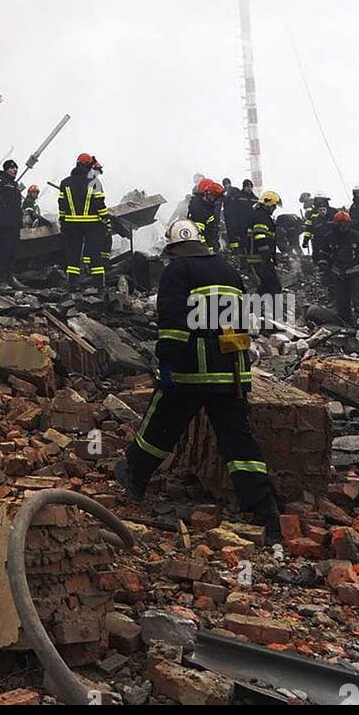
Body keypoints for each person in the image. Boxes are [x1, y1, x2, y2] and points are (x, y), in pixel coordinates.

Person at [116, 219, 280, 538]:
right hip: (231, 373)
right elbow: (240, 321)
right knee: (238, 441)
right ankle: (264, 508)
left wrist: (167, 364)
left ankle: (134, 479)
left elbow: (174, 324)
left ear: (175, 247)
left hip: (193, 371)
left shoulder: (178, 271)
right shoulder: (229, 271)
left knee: (161, 425)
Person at [58, 153, 111, 293]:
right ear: (89, 166)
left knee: (73, 255)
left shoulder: (65, 182)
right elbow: (100, 204)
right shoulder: (94, 182)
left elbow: (61, 205)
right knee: (95, 254)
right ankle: (99, 286)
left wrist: (63, 222)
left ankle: (72, 286)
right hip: (92, 225)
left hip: (71, 225)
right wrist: (106, 221)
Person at [324, 211, 359, 324]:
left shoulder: (355, 235)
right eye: (341, 224)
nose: (344, 227)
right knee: (342, 300)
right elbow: (324, 253)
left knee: (358, 299)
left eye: (346, 224)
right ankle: (344, 322)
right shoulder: (329, 236)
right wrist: (323, 264)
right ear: (335, 224)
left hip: (355, 271)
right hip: (338, 272)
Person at [0, 161, 23, 280]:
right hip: (6, 223)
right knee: (5, 249)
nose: (15, 170)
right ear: (6, 169)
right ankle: (1, 278)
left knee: (13, 250)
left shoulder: (15, 185)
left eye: (16, 168)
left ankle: (9, 276)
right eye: (12, 168)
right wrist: (1, 202)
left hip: (15, 223)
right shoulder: (1, 181)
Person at [246, 190, 283, 298]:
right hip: (260, 258)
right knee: (275, 287)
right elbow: (260, 235)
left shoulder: (261, 215)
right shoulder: (261, 217)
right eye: (273, 206)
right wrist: (266, 255)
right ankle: (276, 313)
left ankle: (249, 309)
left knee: (266, 286)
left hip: (260, 258)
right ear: (267, 205)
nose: (274, 209)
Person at [188, 178, 224, 251]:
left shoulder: (208, 206)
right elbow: (201, 230)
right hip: (201, 245)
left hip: (207, 242)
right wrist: (210, 247)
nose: (217, 201)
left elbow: (211, 228)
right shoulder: (200, 208)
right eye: (216, 198)